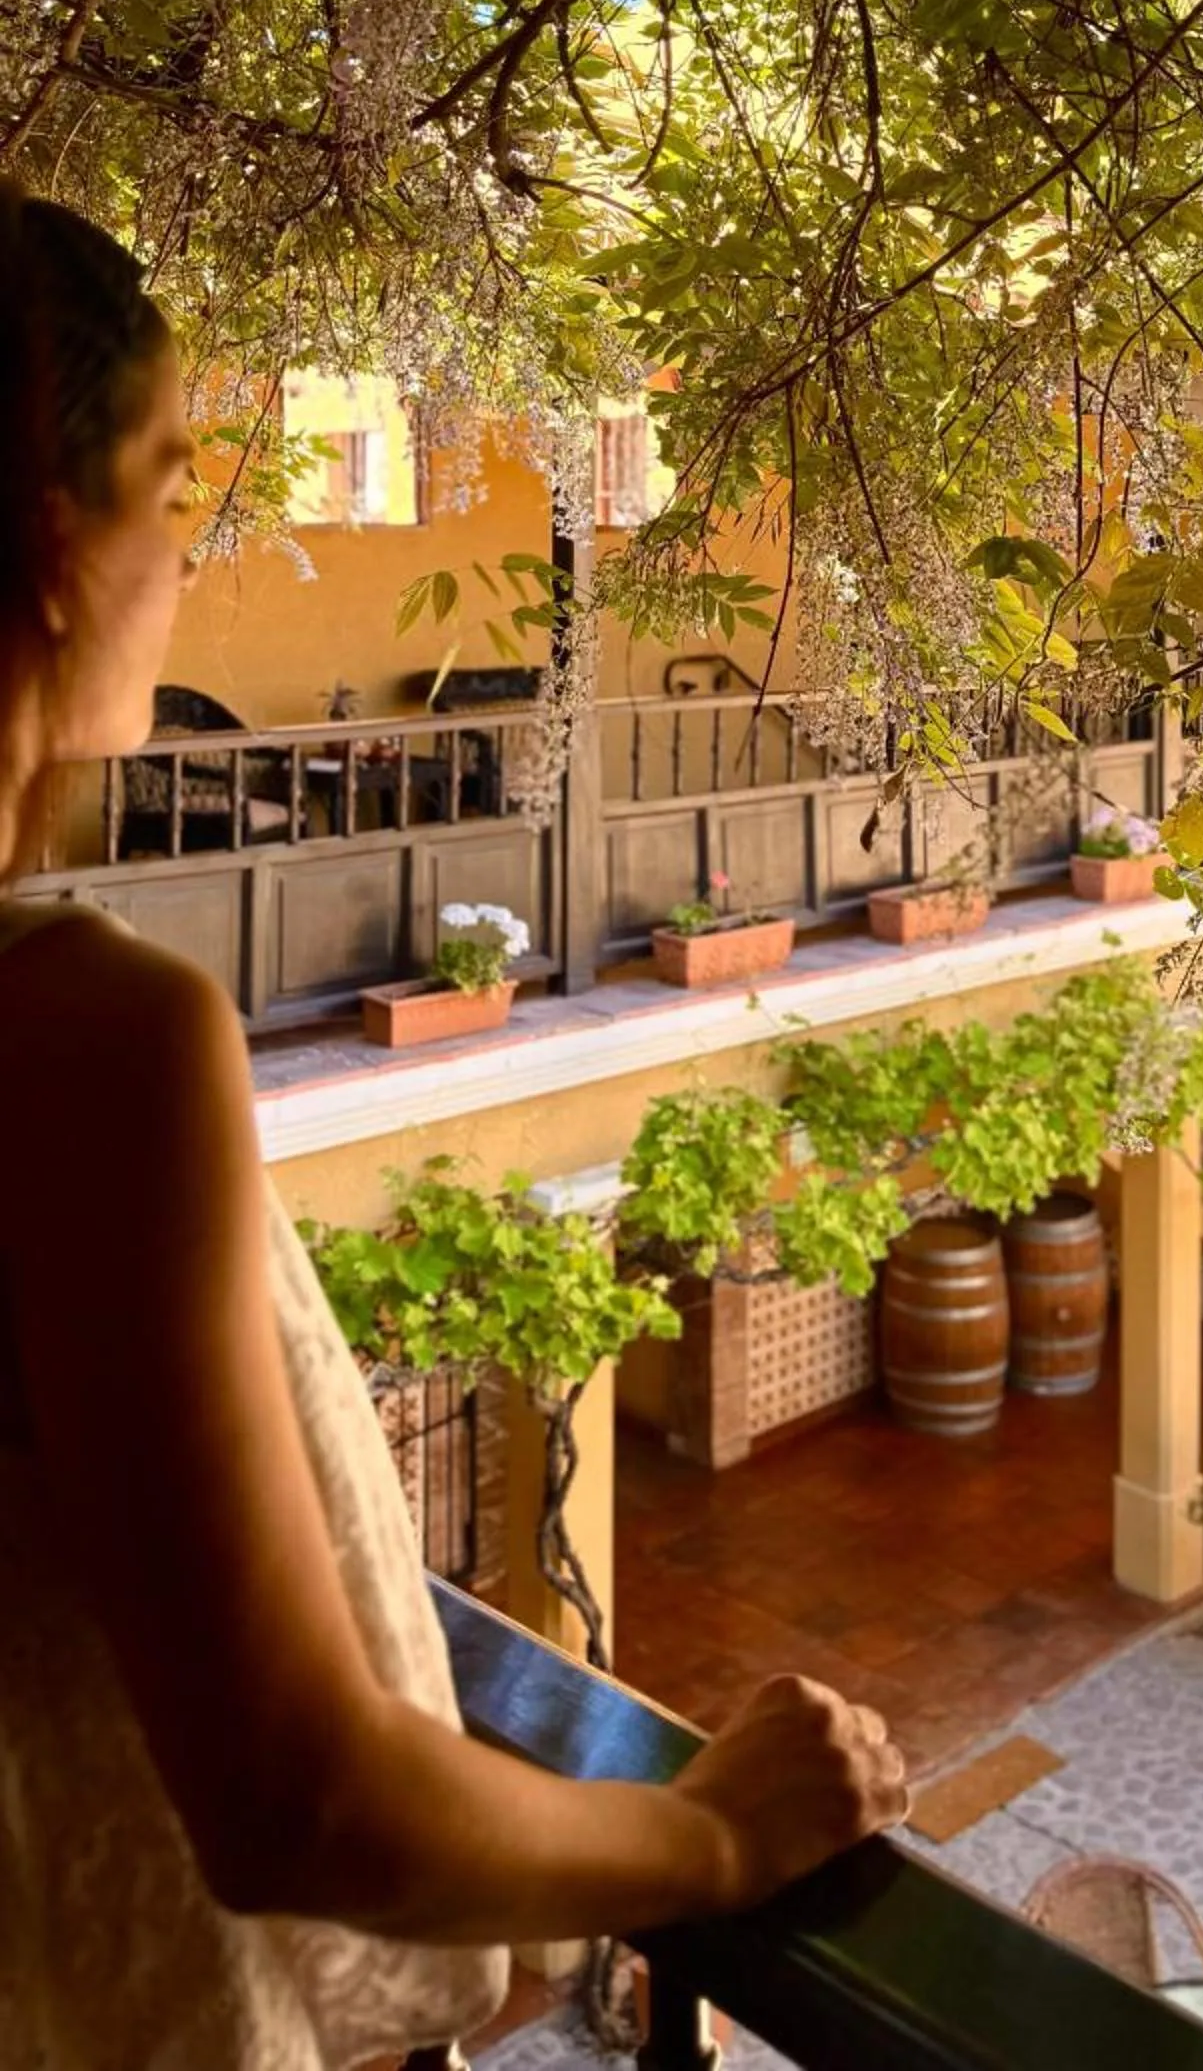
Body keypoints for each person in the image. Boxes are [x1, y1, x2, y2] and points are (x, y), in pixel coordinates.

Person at [0, 187, 907, 2070]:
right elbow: (295, 1798)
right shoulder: (89, 1042)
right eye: (175, 487)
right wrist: (711, 1834)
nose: (193, 552)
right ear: (50, 539)